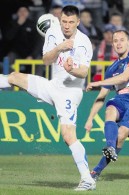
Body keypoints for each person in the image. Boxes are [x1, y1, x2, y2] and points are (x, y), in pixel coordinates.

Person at [0, 5, 96, 191]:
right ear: (60, 20)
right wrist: (59, 48)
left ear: (78, 22)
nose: (66, 26)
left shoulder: (84, 42)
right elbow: (46, 60)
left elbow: (84, 72)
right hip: (53, 86)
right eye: (64, 22)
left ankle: (87, 179)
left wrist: (71, 69)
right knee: (15, 77)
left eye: (71, 22)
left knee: (68, 135)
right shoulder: (53, 32)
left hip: (70, 91)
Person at [85, 30, 129, 181]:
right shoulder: (112, 68)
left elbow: (125, 77)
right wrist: (90, 118)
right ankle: (110, 147)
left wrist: (98, 82)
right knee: (110, 108)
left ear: (128, 42)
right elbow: (101, 96)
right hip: (121, 100)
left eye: (122, 40)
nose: (118, 43)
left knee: (120, 136)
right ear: (112, 44)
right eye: (115, 41)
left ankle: (96, 171)